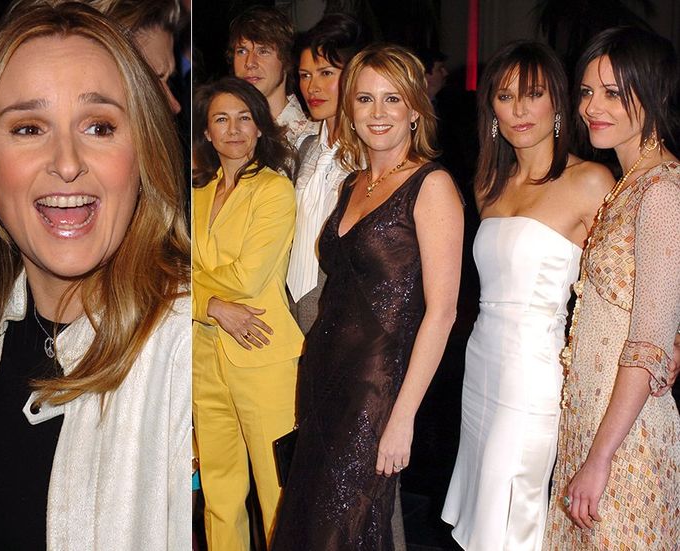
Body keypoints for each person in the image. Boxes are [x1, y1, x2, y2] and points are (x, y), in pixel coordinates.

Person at [0, 3, 191, 549]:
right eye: (29, 128)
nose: (67, 161)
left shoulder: (182, 349)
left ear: (144, 155)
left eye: (99, 127)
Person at [271, 44, 463, 550]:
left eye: (392, 99)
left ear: (415, 109)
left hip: (374, 391)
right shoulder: (354, 183)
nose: (378, 112)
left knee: (344, 529)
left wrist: (403, 417)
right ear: (350, 109)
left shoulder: (431, 185)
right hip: (322, 379)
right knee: (308, 524)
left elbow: (442, 313)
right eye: (365, 99)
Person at [440, 40, 614, 551]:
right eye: (505, 95)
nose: (518, 109)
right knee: (485, 511)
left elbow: (625, 282)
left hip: (535, 375)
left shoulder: (591, 181)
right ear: (490, 108)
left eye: (533, 94)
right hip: (481, 363)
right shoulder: (489, 184)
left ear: (557, 101)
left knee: (513, 512)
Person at [544, 26, 680, 549]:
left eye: (613, 93)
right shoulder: (629, 185)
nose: (592, 107)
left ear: (654, 93)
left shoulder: (662, 190)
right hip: (591, 421)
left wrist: (599, 459)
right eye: (586, 91)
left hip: (626, 439)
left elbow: (646, 341)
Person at [191, 75, 302, 551]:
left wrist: (197, 289)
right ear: (207, 131)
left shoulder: (274, 190)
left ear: (260, 127)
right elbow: (168, 274)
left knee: (277, 493)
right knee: (219, 495)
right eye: (221, 119)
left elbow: (247, 278)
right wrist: (211, 306)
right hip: (203, 356)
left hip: (263, 357)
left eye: (244, 118)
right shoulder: (195, 195)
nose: (234, 129)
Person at [287, 12, 368, 334]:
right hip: (287, 309)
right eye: (305, 75)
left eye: (326, 73)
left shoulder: (369, 156)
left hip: (341, 312)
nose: (313, 87)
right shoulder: (304, 147)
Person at [228, 5, 315, 145]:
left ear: (286, 59)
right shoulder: (224, 134)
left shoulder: (313, 138)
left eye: (263, 51)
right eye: (242, 51)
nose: (249, 63)